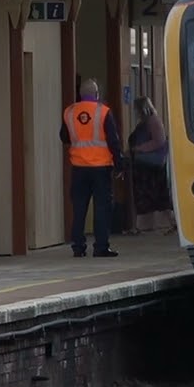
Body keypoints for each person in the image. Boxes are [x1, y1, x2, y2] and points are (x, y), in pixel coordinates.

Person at [60, 78, 123, 258]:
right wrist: (119, 164)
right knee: (102, 208)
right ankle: (101, 247)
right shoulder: (103, 112)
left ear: (80, 94)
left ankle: (78, 247)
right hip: (101, 167)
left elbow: (64, 136)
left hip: (79, 167)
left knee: (79, 208)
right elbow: (113, 141)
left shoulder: (69, 112)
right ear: (96, 95)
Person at [128, 96, 176, 234]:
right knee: (153, 196)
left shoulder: (153, 121)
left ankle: (143, 226)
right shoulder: (145, 122)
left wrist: (140, 148)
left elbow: (159, 141)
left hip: (151, 165)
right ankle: (144, 225)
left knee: (153, 195)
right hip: (145, 165)